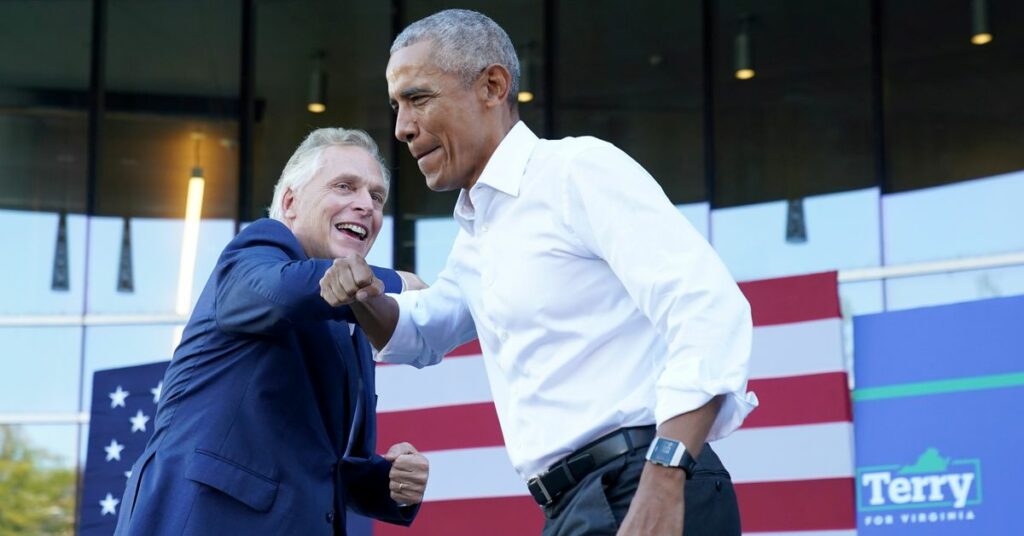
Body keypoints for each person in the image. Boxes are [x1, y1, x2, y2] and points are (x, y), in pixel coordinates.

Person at [322, 9, 758, 535]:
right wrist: (362, 292)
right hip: (576, 504)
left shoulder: (575, 171)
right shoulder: (480, 231)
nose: (402, 128)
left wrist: (663, 480)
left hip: (643, 484)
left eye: (418, 98)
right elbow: (421, 331)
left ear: (492, 86)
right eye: (396, 106)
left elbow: (708, 307)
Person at [114, 128, 428, 536]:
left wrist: (391, 482)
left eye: (376, 196)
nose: (365, 205)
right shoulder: (259, 249)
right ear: (291, 202)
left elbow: (326, 468)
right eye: (345, 186)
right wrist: (398, 284)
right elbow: (284, 292)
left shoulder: (351, 327)